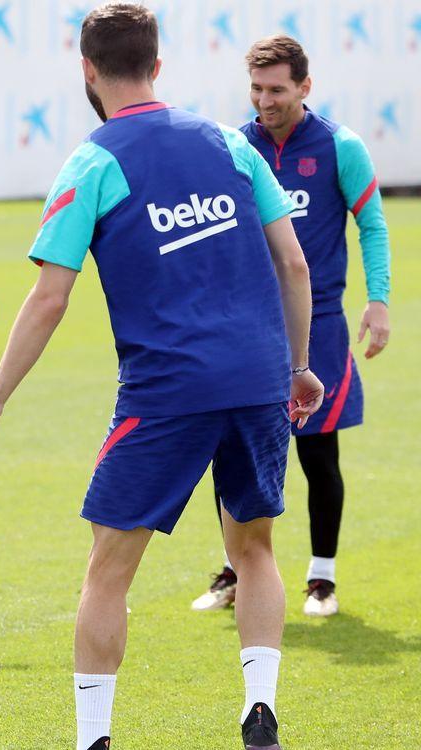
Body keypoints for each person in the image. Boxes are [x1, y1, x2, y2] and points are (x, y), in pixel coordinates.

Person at [0, 5, 322, 749]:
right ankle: (260, 710)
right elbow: (292, 261)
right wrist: (299, 366)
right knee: (254, 548)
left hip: (167, 393)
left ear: (87, 70)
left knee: (108, 571)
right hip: (257, 383)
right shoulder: (230, 142)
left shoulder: (91, 162)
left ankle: (94, 739)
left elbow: (49, 298)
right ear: (157, 65)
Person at [190, 33, 391, 618]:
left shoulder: (339, 147)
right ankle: (234, 571)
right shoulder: (234, 145)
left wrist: (378, 301)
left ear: (305, 86)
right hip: (246, 325)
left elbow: (372, 227)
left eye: (277, 89)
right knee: (234, 449)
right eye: (256, 89)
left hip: (318, 323)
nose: (264, 101)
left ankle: (321, 579)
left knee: (317, 454)